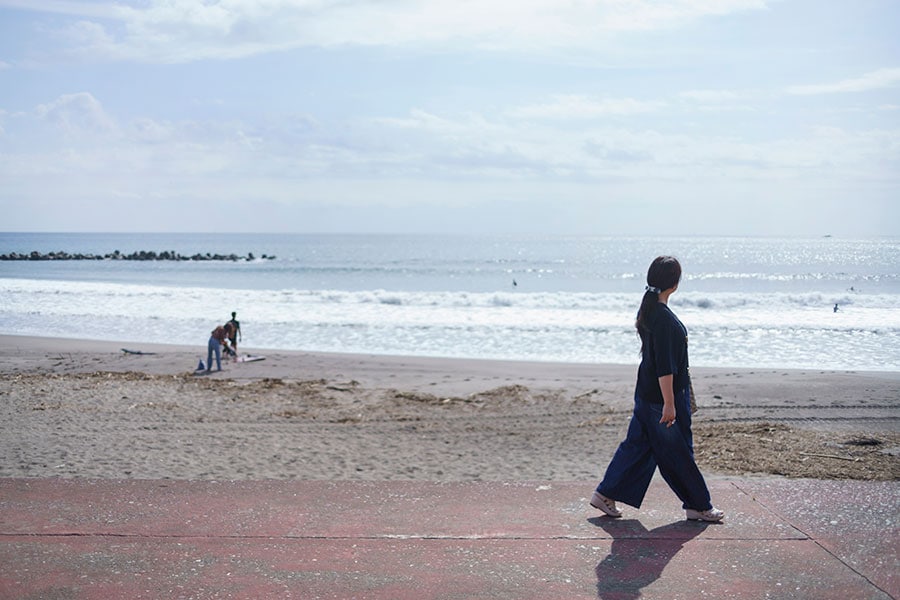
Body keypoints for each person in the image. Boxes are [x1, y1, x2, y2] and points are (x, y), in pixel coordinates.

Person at [590, 256, 724, 522]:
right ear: (674, 283)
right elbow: (665, 366)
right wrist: (670, 403)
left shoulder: (651, 310)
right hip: (661, 397)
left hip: (646, 393)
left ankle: (605, 494)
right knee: (678, 453)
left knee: (637, 446)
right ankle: (699, 505)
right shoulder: (662, 317)